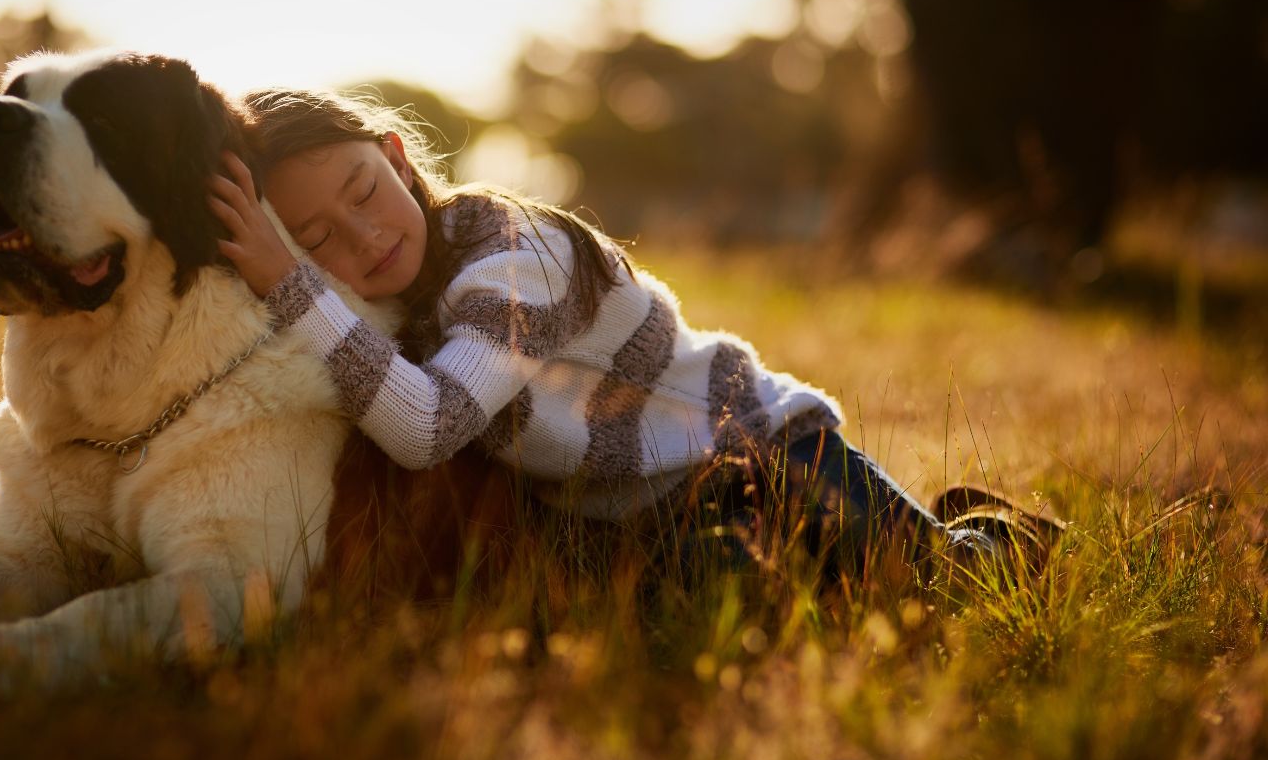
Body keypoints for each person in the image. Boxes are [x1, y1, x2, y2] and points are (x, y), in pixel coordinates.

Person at [206, 88, 995, 581]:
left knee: (936, 580)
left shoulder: (514, 254)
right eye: (315, 239)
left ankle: (991, 535)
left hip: (764, 449)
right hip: (640, 521)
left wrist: (295, 280)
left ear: (397, 157)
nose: (363, 236)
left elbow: (429, 425)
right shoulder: (380, 314)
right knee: (749, 589)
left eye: (363, 193)